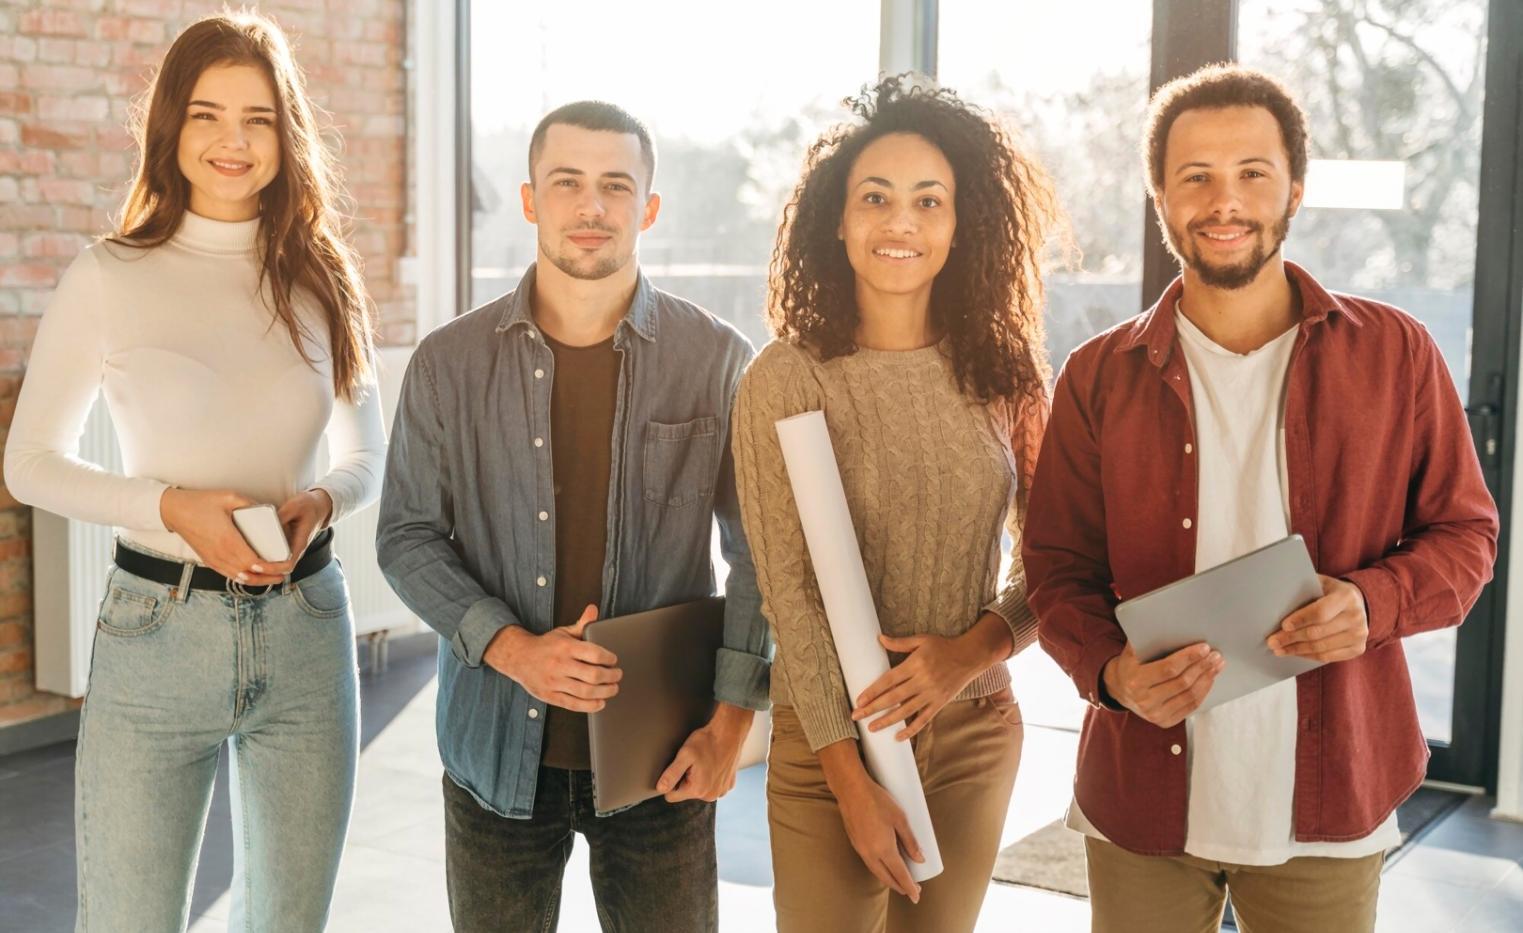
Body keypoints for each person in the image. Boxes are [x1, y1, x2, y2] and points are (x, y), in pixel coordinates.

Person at [1024, 64, 1499, 933]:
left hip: (1333, 792)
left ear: (1294, 188)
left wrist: (1372, 601)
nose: (1223, 201)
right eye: (1194, 176)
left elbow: (1466, 536)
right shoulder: (1096, 375)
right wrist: (1111, 673)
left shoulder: (1395, 353)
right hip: (1141, 798)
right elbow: (1056, 567)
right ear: (1159, 198)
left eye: (1251, 172)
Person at [3, 12, 385, 931]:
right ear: (170, 126)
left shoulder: (323, 274)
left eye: (258, 118)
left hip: (306, 626)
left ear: (285, 136)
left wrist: (320, 501)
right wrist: (170, 506)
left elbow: (365, 452)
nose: (232, 141)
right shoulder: (110, 275)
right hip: (157, 632)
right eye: (207, 114)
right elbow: (29, 465)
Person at [375, 100, 771, 933]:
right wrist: (512, 649)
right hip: (493, 753)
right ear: (530, 200)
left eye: (615, 185)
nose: (591, 206)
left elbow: (758, 555)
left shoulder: (717, 359)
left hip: (663, 755)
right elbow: (406, 535)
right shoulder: (448, 363)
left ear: (647, 208)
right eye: (566, 182)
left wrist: (732, 721)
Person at [731, 75, 1057, 933]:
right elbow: (789, 592)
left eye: (928, 201)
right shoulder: (783, 378)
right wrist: (849, 778)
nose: (900, 222)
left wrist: (969, 653)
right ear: (837, 221)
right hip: (829, 740)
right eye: (874, 198)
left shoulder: (1006, 374)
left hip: (975, 730)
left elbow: (1054, 560)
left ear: (960, 223)